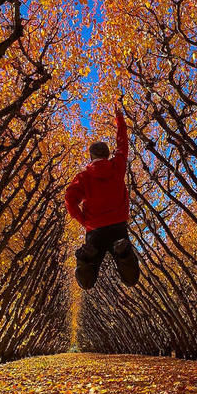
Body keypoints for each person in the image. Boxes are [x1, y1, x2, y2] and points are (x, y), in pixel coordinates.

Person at [65, 102, 140, 289]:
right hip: (118, 227)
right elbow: (123, 143)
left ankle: (86, 257)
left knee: (87, 283)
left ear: (91, 157)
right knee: (131, 280)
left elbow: (69, 199)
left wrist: (83, 221)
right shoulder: (117, 167)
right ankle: (123, 252)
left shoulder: (83, 177)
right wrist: (119, 117)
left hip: (95, 230)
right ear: (108, 154)